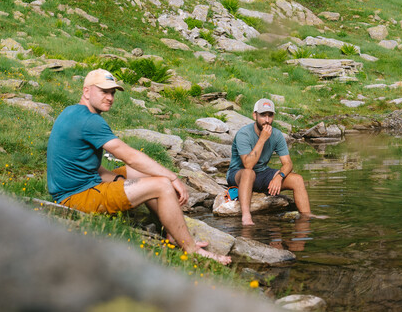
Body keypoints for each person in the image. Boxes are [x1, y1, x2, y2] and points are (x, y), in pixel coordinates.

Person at [47, 69, 230, 265]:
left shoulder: (72, 111)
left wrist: (120, 180)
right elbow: (130, 157)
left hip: (75, 189)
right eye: (104, 91)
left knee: (143, 173)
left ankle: (169, 230)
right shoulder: (91, 121)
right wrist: (173, 177)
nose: (110, 98)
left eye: (113, 93)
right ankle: (191, 249)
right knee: (162, 185)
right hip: (76, 198)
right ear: (86, 91)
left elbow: (87, 165)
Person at [227, 98, 315, 226]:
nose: (267, 120)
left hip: (262, 173)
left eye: (270, 115)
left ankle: (306, 219)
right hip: (238, 174)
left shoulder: (277, 135)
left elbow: (288, 163)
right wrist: (262, 139)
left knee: (297, 179)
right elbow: (248, 165)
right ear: (254, 115)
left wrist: (279, 177)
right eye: (263, 115)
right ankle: (246, 217)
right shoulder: (243, 134)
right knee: (249, 173)